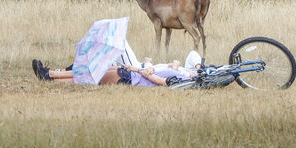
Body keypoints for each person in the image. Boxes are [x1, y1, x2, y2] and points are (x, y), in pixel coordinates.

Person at [32, 59, 189, 87]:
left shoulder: (183, 81)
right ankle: (50, 75)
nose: (195, 73)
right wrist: (150, 68)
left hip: (131, 79)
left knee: (91, 77)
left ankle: (50, 75)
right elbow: (159, 72)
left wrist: (139, 69)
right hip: (131, 75)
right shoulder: (181, 74)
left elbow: (161, 82)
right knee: (94, 72)